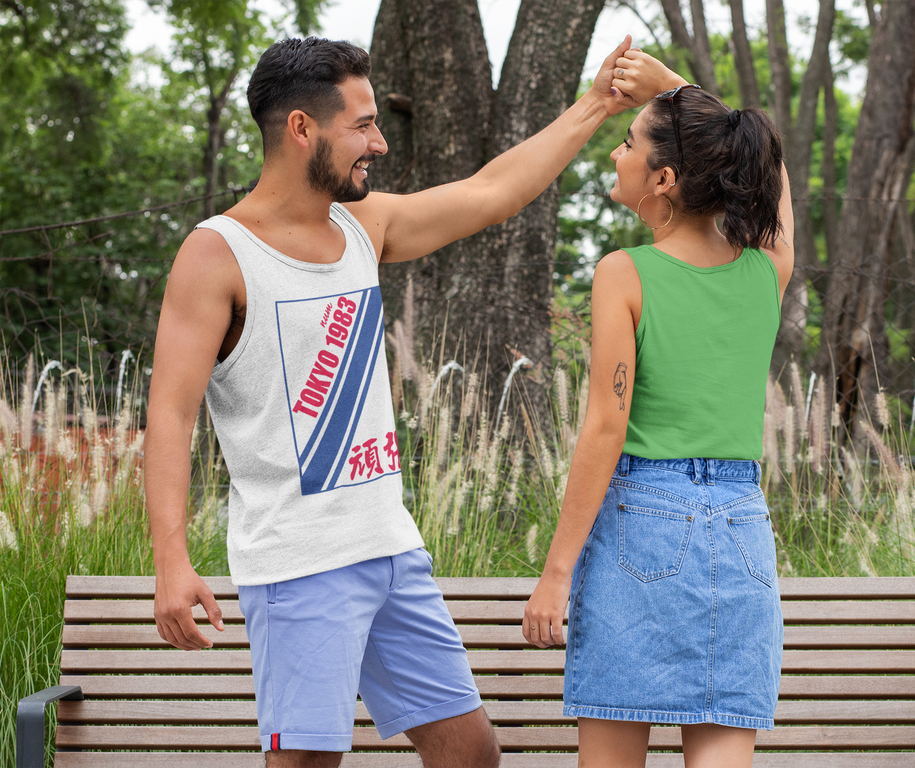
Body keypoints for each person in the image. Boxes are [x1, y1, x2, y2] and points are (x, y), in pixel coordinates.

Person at [145, 34, 665, 768]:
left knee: (470, 754)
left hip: (389, 548)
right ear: (302, 129)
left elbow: (493, 193)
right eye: (361, 124)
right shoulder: (217, 253)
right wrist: (172, 560)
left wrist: (595, 105)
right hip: (298, 565)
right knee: (306, 763)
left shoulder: (363, 226)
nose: (379, 142)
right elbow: (168, 413)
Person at [522, 50, 794, 768]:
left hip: (643, 522)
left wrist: (555, 574)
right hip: (742, 530)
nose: (616, 153)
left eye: (629, 144)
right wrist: (680, 90)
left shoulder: (625, 273)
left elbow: (606, 427)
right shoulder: (766, 269)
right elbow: (776, 189)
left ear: (664, 179)